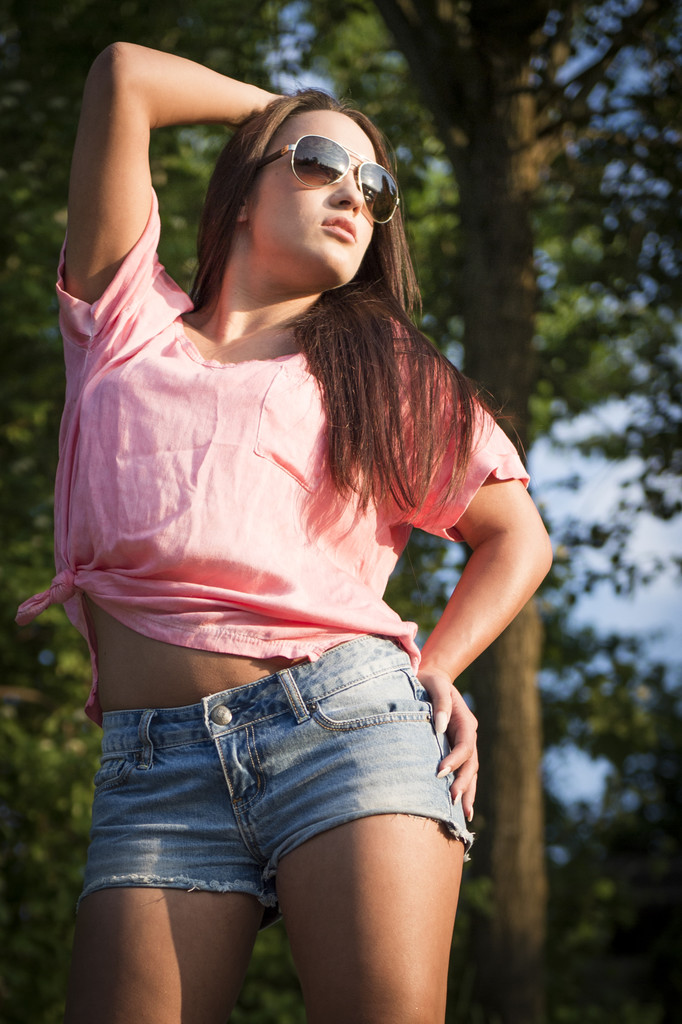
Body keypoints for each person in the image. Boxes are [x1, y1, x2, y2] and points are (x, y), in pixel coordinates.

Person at [16, 42, 553, 1024]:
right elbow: (125, 76)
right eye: (320, 164)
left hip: (346, 728)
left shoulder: (381, 367)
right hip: (152, 773)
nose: (353, 192)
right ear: (241, 193)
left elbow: (516, 535)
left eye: (375, 187)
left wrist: (439, 664)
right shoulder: (123, 318)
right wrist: (282, 113)